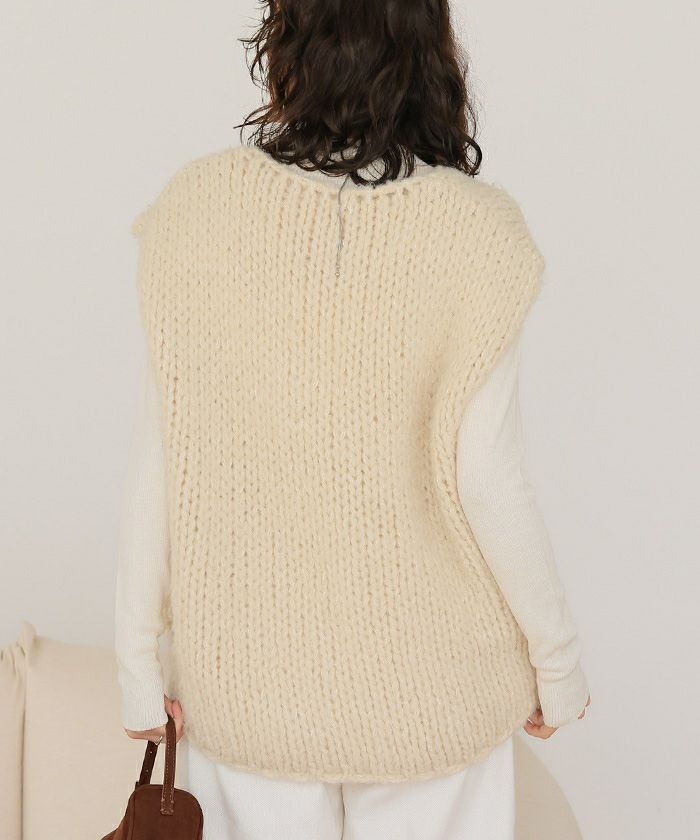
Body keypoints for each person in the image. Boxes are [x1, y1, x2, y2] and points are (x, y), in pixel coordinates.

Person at [114, 1, 591, 837]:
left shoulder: (194, 212)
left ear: (286, 47)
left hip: (247, 691)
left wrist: (135, 667)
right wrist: (559, 665)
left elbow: (165, 464)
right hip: (434, 694)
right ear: (429, 52)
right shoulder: (478, 233)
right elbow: (490, 479)